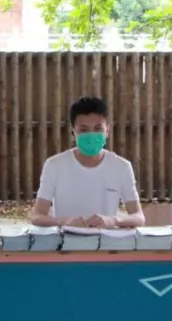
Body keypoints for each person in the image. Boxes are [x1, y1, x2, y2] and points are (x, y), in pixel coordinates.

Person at [30, 96, 145, 228]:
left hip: (106, 239)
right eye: (84, 130)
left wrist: (113, 221)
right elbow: (37, 216)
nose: (91, 135)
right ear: (73, 132)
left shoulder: (122, 167)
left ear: (107, 131)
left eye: (98, 128)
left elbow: (139, 217)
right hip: (66, 240)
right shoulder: (54, 165)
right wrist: (64, 221)